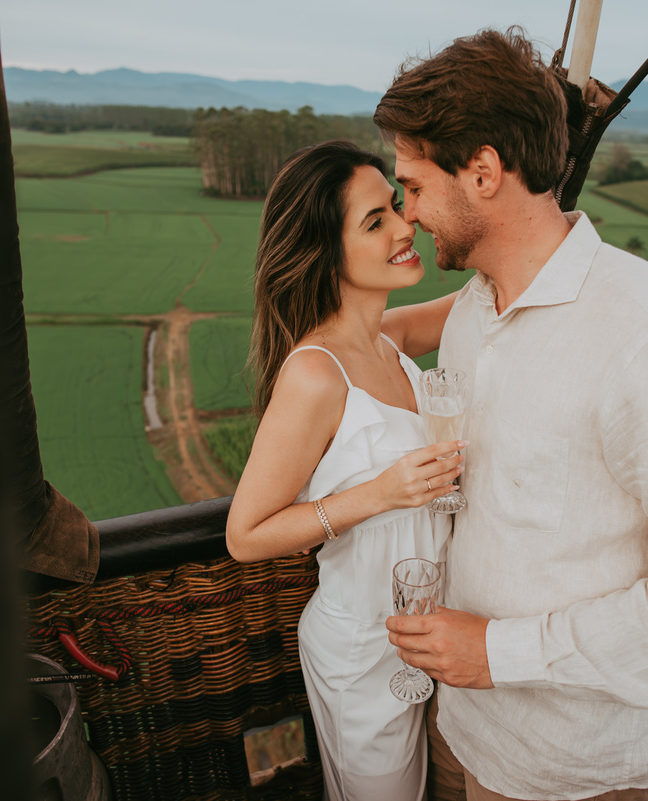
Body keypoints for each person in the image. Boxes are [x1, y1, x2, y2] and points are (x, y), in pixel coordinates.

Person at [376, 28, 648, 801]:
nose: (407, 214)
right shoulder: (473, 310)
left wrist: (500, 653)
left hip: (571, 769)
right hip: (461, 722)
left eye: (412, 184)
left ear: (482, 171)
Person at [225, 140, 463, 800]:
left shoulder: (389, 337)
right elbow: (246, 534)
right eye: (375, 221)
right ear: (325, 251)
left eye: (395, 206)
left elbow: (486, 293)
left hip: (427, 635)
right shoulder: (314, 374)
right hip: (363, 651)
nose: (403, 226)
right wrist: (381, 492)